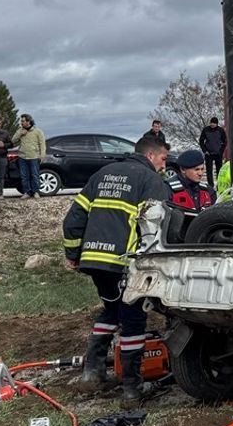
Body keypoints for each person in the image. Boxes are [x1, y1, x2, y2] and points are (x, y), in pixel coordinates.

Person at [63, 137, 173, 408]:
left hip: (95, 261)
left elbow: (73, 219)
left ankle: (92, 372)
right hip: (125, 263)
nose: (163, 166)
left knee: (111, 310)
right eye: (163, 159)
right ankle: (132, 390)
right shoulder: (150, 181)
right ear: (150, 155)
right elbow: (158, 226)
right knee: (133, 319)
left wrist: (73, 254)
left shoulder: (102, 175)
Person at [11, 114, 46, 198]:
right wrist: (20, 134)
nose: (21, 123)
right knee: (24, 176)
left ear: (28, 121)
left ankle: (36, 192)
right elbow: (13, 140)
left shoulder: (38, 131)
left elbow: (42, 144)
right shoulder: (20, 130)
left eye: (23, 121)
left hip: (34, 157)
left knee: (34, 175)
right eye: (21, 121)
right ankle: (26, 192)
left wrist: (42, 155)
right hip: (22, 157)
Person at [198, 117, 227, 186]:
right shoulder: (206, 130)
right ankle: (210, 185)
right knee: (209, 171)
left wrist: (221, 151)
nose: (212, 124)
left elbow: (225, 142)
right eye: (211, 123)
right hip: (208, 154)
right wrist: (205, 151)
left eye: (214, 123)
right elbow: (201, 141)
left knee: (219, 170)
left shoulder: (220, 130)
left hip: (218, 154)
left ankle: (219, 185)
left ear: (216, 124)